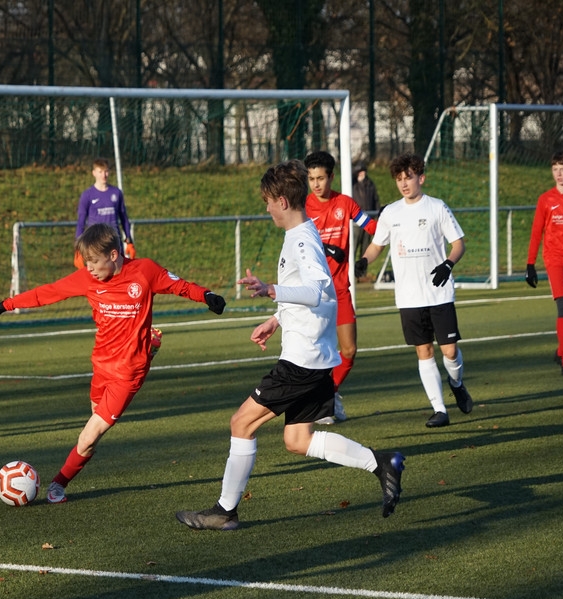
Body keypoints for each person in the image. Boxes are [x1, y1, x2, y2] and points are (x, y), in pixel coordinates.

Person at [175, 160, 404, 531]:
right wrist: (277, 318)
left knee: (241, 423)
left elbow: (318, 290)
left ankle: (225, 511)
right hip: (315, 358)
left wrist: (272, 290)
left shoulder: (301, 239)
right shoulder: (303, 233)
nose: (266, 208)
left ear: (281, 201)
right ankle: (381, 463)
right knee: (298, 439)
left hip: (302, 361)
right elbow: (314, 294)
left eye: (268, 201)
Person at [0, 223, 226, 503]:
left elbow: (179, 285)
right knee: (93, 428)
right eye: (87, 263)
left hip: (129, 374)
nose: (90, 269)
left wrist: (207, 296)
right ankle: (147, 342)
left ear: (114, 255)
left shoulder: (144, 271)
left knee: (88, 437)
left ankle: (58, 485)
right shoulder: (87, 278)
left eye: (94, 262)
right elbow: (46, 293)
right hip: (101, 366)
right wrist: (0, 307)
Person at [355, 152, 473, 428]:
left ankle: (456, 383)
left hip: (438, 292)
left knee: (449, 351)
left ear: (421, 178)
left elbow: (458, 244)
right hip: (409, 296)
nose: (404, 183)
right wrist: (364, 261)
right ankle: (439, 410)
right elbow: (377, 245)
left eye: (408, 177)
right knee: (424, 351)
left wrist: (448, 264)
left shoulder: (437, 208)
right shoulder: (390, 212)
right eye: (399, 179)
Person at [304, 151, 378, 423]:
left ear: (331, 177)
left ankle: (329, 394)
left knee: (348, 351)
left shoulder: (345, 203)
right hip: (313, 293)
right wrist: (326, 248)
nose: (316, 184)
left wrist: (390, 226)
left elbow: (371, 227)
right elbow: (297, 241)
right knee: (315, 353)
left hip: (340, 290)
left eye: (320, 178)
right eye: (311, 179)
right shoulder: (303, 207)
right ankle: (318, 405)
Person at [525, 149, 563, 376]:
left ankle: (561, 352)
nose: (559, 174)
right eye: (555, 169)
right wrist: (530, 264)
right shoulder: (546, 199)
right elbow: (536, 232)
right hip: (555, 260)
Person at [75, 157, 135, 269]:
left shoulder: (116, 193)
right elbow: (81, 221)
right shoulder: (87, 195)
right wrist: (78, 248)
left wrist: (129, 240)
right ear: (94, 173)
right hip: (95, 243)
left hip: (114, 241)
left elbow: (124, 218)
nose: (104, 175)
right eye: (100, 172)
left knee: (119, 272)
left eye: (106, 171)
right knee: (98, 272)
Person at [352, 162, 381, 261]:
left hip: (368, 219)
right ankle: (350, 268)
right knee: (353, 246)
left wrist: (377, 214)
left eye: (363, 171)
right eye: (359, 172)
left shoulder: (370, 184)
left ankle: (362, 268)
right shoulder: (352, 183)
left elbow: (376, 199)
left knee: (365, 247)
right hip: (356, 220)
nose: (362, 174)